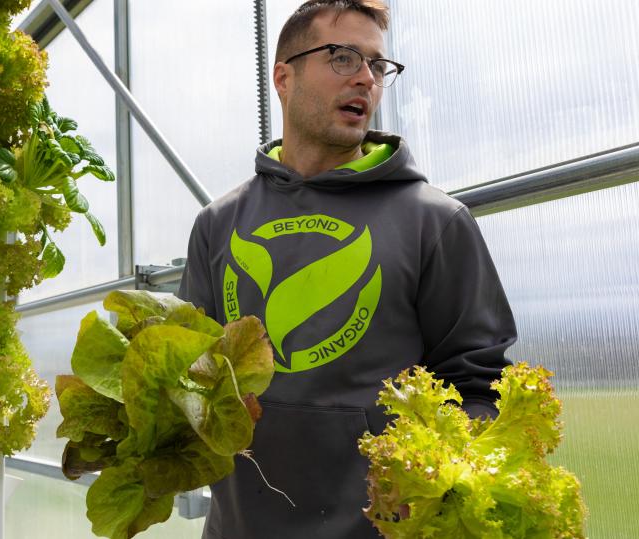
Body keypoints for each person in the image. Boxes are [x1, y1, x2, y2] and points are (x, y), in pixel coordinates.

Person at [175, 1, 517, 537]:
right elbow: (188, 372)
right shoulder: (218, 224)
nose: (366, 78)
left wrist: (436, 475)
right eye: (342, 57)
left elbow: (478, 387)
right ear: (282, 78)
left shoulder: (435, 222)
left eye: (378, 66)